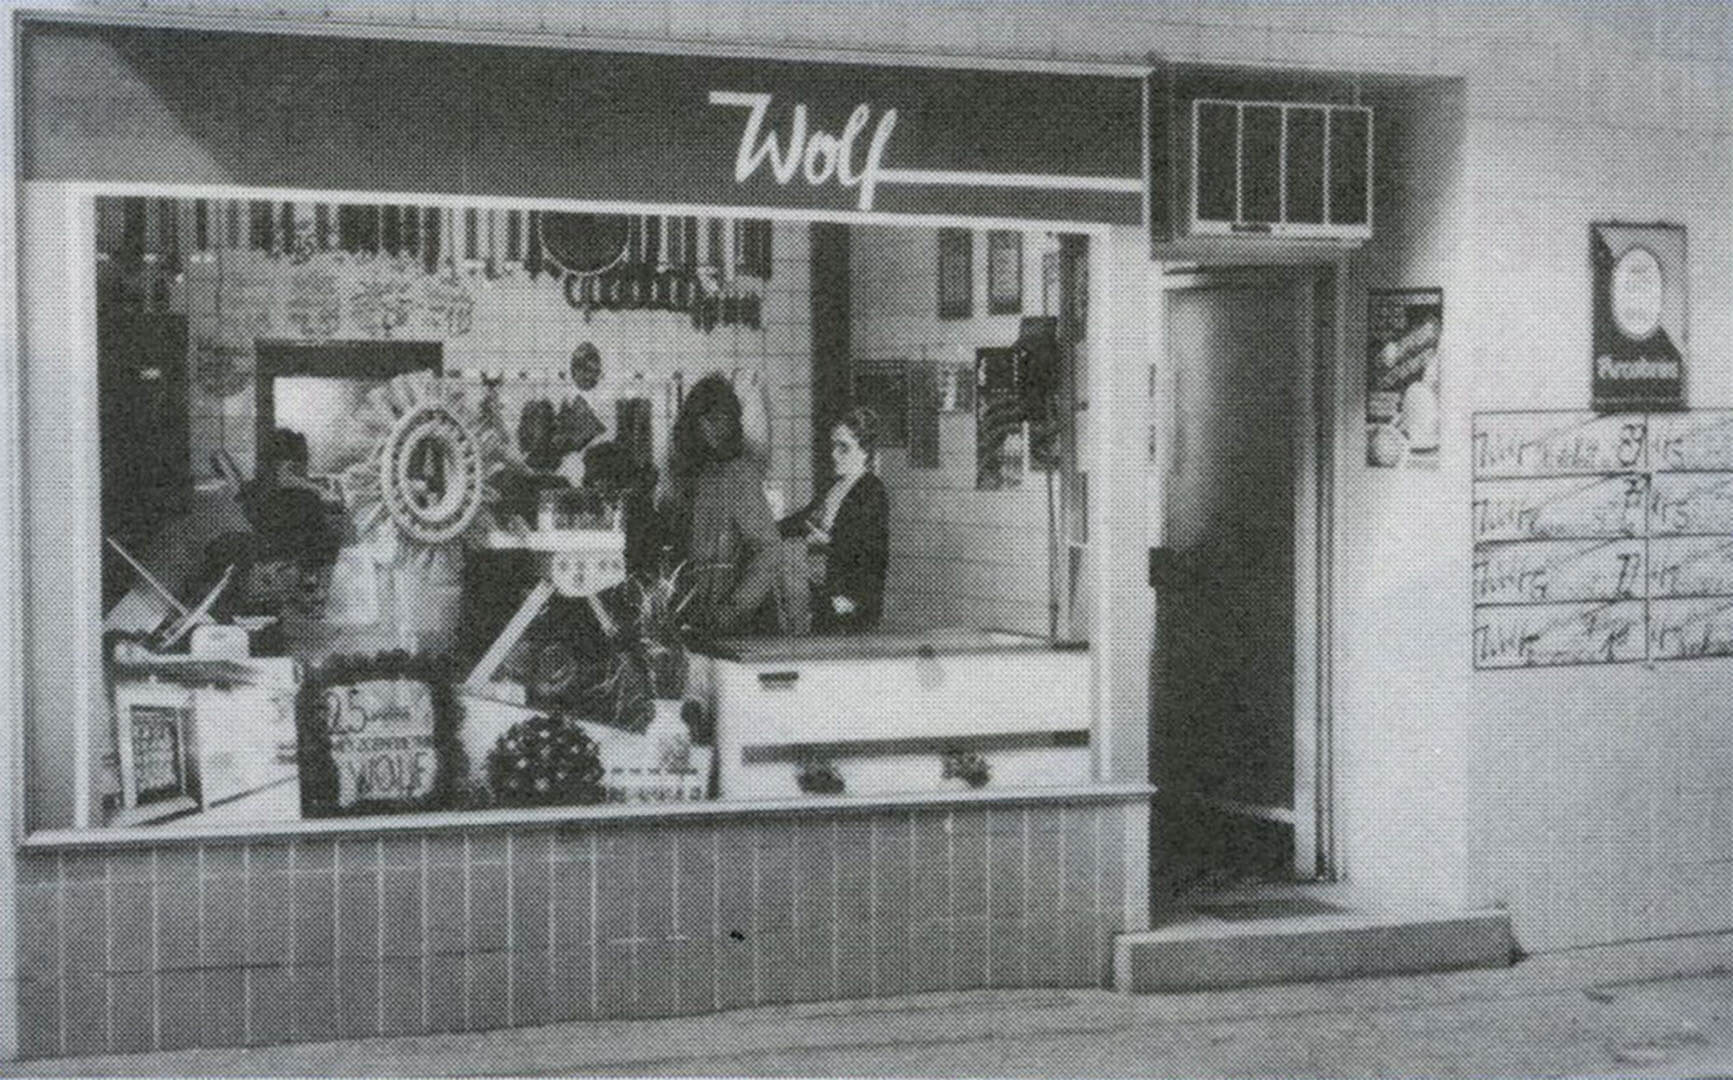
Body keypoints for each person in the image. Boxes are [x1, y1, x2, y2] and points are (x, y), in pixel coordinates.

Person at [664, 372, 781, 637]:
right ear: (693, 424)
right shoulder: (694, 475)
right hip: (708, 617)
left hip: (743, 622)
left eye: (727, 419)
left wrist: (735, 607)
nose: (720, 428)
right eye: (711, 419)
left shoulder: (738, 474)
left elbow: (770, 548)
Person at [780, 407, 888, 634]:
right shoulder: (834, 486)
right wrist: (765, 528)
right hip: (826, 592)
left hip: (850, 600)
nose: (834, 454)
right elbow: (802, 519)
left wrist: (828, 543)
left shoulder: (872, 491)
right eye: (834, 446)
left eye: (844, 448)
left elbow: (870, 553)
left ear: (865, 451)